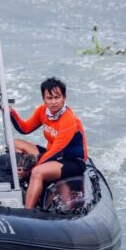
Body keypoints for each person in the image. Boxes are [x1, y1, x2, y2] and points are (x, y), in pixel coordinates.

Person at [9, 77, 88, 210]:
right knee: (15, 143)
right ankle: (21, 176)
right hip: (53, 155)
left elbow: (56, 150)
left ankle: (27, 211)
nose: (53, 102)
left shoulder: (68, 120)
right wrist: (11, 113)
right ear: (44, 99)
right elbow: (25, 128)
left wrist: (30, 168)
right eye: (49, 98)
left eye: (57, 97)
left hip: (71, 161)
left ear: (64, 98)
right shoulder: (42, 111)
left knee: (37, 172)